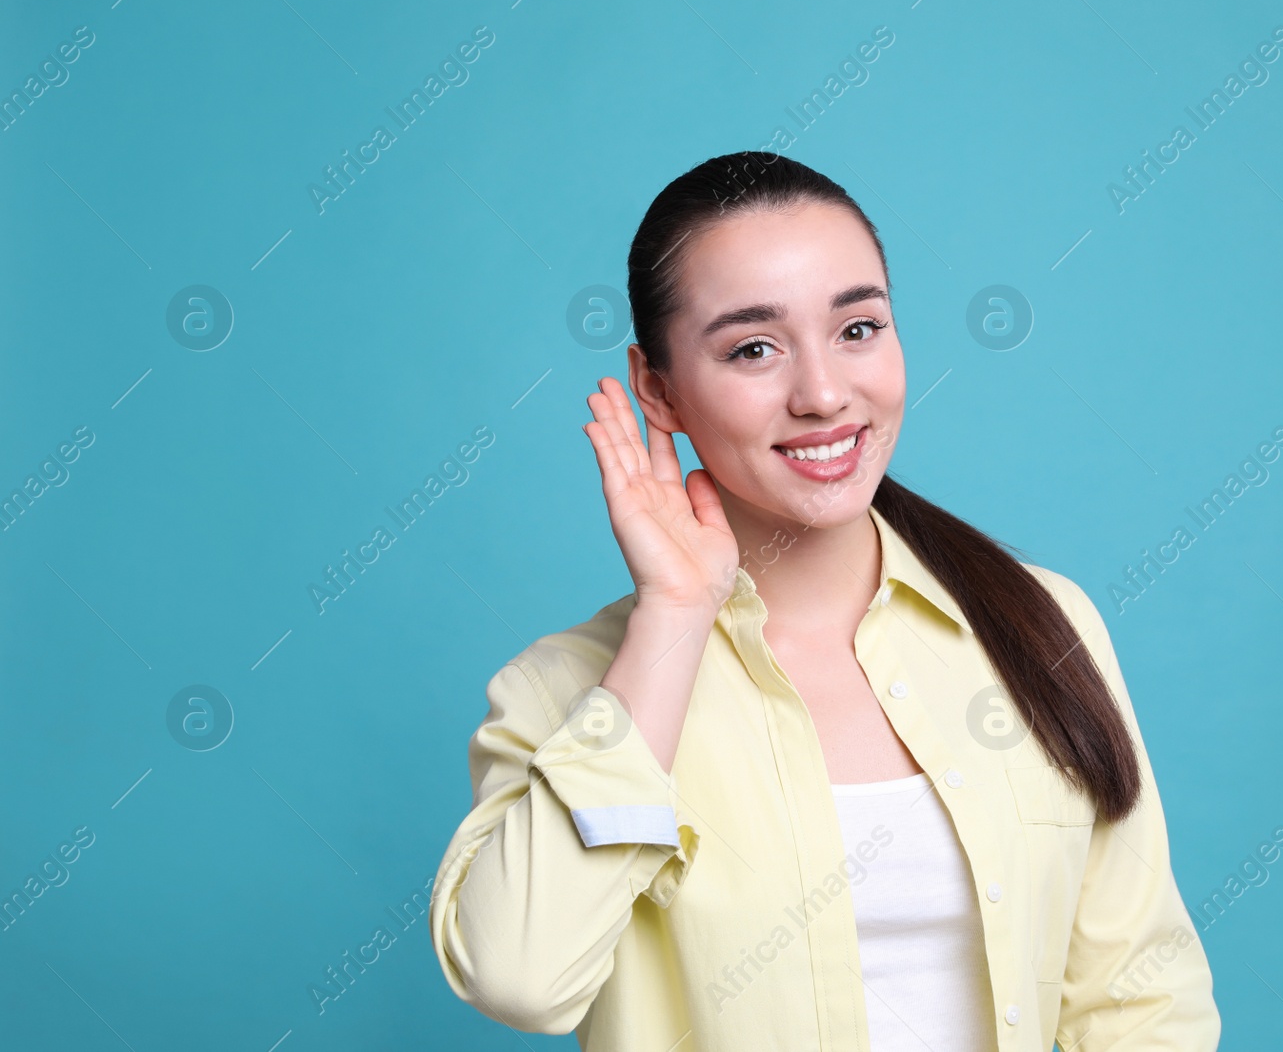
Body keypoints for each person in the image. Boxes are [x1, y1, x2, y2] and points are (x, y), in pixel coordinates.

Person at [429, 151, 1221, 1050]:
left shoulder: (1045, 623)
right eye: (753, 348)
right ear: (658, 387)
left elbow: (1140, 997)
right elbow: (522, 979)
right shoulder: (565, 691)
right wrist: (678, 615)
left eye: (858, 329)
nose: (823, 394)